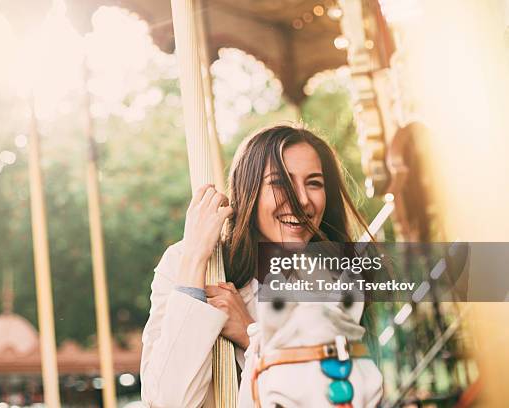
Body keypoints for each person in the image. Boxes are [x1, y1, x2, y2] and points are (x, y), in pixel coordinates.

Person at [140, 124, 375, 407]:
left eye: (314, 183)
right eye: (280, 183)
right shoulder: (184, 261)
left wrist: (250, 333)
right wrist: (195, 259)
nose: (302, 199)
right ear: (248, 189)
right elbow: (168, 400)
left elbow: (328, 396)